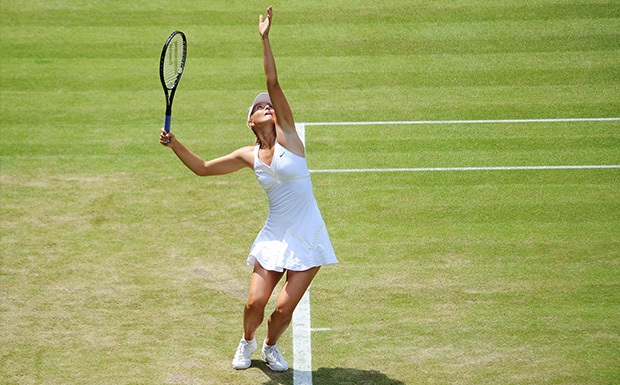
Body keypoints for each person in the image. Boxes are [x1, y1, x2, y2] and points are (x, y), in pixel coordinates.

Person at [159, 6, 338, 372]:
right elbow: (204, 169)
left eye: (269, 106)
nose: (268, 106)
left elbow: (274, 83)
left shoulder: (290, 139)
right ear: (250, 121)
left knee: (283, 309)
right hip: (274, 236)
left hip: (308, 235)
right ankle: (247, 342)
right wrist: (175, 144)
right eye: (260, 107)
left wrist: (264, 37)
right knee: (254, 304)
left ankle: (271, 346)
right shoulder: (248, 155)